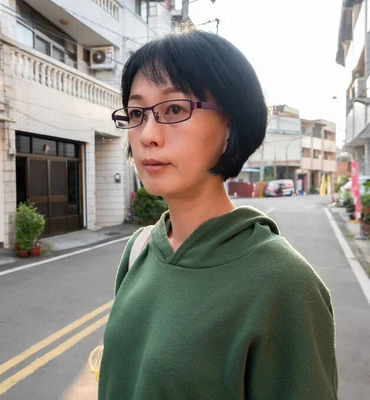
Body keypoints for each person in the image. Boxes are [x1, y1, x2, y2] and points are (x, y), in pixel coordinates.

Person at [98, 29, 338, 399]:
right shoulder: (139, 250)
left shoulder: (284, 284)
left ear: (231, 123)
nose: (147, 134)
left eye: (174, 109)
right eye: (136, 112)